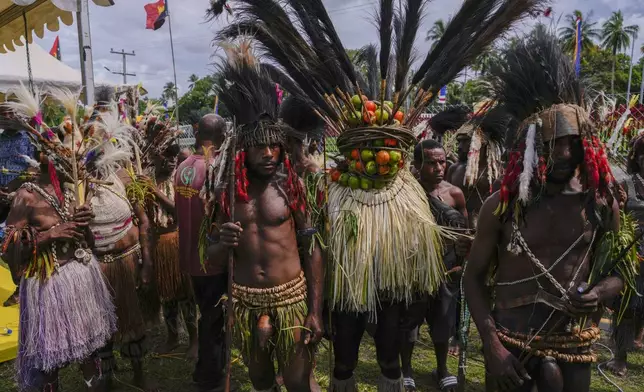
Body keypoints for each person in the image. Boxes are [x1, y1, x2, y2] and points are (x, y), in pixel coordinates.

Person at [464, 31, 628, 392]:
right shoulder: (502, 207)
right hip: (511, 346)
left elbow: (618, 274)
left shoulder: (601, 205)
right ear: (530, 148)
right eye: (553, 146)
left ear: (587, 147)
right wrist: (492, 346)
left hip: (574, 345)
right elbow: (472, 278)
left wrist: (599, 293)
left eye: (572, 145)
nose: (564, 156)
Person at [207, 42, 324, 392]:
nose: (269, 153)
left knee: (297, 381)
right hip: (244, 301)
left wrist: (315, 309)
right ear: (244, 147)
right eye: (260, 147)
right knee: (259, 381)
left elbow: (313, 248)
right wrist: (220, 242)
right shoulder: (225, 193)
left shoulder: (291, 186)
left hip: (291, 300)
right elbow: (210, 256)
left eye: (274, 146)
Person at [1, 86, 116, 392]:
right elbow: (7, 246)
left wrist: (84, 225)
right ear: (46, 158)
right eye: (64, 159)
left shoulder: (72, 191)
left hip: (81, 279)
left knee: (91, 353)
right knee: (48, 360)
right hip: (47, 286)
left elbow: (87, 242)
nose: (71, 166)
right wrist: (51, 234)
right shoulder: (25, 196)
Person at [85, 108, 160, 392]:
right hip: (97, 266)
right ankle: (106, 374)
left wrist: (148, 263)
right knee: (101, 323)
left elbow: (143, 221)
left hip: (128, 262)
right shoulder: (78, 183)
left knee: (133, 318)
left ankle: (139, 372)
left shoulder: (123, 177)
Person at [400, 139, 468, 392]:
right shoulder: (407, 194)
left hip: (447, 269)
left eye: (442, 162)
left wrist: (461, 260)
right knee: (410, 322)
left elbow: (465, 232)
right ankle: (406, 370)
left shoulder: (454, 193)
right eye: (431, 163)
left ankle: (442, 369)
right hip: (414, 269)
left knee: (442, 322)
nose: (439, 168)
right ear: (417, 165)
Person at [175, 113, 227, 392]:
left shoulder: (182, 166)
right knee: (214, 320)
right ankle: (208, 376)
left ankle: (205, 370)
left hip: (191, 258)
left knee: (206, 314)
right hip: (213, 259)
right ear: (221, 138)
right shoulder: (215, 169)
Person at [142, 122, 199, 359]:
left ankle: (194, 339)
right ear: (153, 158)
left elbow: (181, 211)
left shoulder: (181, 176)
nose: (166, 161)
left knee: (186, 294)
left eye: (169, 156)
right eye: (161, 157)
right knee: (167, 295)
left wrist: (154, 193)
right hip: (158, 244)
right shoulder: (145, 179)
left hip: (179, 241)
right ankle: (173, 336)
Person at [605, 132, 644, 376]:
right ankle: (619, 357)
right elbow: (616, 219)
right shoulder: (626, 184)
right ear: (637, 158)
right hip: (633, 254)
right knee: (628, 306)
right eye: (643, 155)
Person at [446, 104, 506, 229]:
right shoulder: (454, 169)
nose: (460, 146)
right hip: (458, 232)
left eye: (465, 141)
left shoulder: (500, 172)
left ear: (481, 143)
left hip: (489, 231)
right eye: (459, 142)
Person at [0, 119, 38, 307]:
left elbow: (35, 167)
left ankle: (22, 287)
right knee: (4, 245)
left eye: (10, 113)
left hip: (24, 196)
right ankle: (19, 282)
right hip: (2, 197)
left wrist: (15, 187)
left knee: (21, 241)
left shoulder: (30, 138)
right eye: (3, 114)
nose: (7, 117)